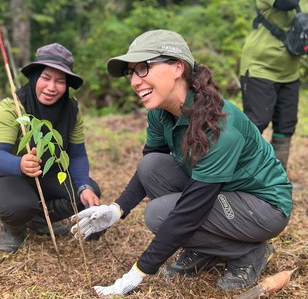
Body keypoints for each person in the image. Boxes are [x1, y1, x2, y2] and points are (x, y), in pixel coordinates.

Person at [70, 29, 293, 295]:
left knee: (159, 214)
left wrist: (138, 272)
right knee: (151, 166)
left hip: (263, 206)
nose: (134, 81)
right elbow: (148, 171)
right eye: (132, 72)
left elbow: (190, 211)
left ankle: (249, 252)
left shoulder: (221, 126)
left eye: (143, 67)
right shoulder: (161, 112)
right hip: (222, 192)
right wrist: (116, 210)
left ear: (177, 67)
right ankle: (205, 249)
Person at [0, 43, 101, 253]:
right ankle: (14, 227)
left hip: (48, 172)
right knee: (17, 207)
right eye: (46, 78)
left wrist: (84, 187)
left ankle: (39, 219)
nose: (51, 87)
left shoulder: (71, 110)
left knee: (86, 195)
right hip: (9, 173)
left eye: (60, 81)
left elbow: (77, 154)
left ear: (67, 85)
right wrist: (20, 163)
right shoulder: (13, 106)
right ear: (35, 76)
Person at [240, 0, 308, 170]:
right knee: (256, 123)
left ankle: (277, 180)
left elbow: (305, 34)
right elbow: (287, 3)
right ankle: (238, 176)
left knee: (286, 125)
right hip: (260, 68)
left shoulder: (305, 4)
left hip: (289, 73)